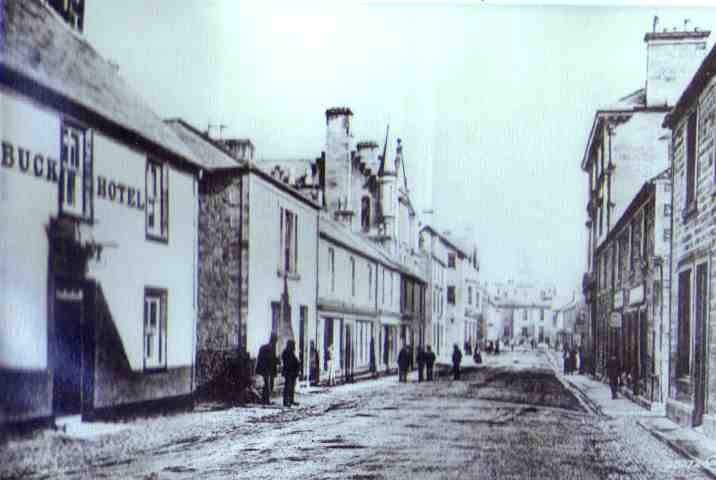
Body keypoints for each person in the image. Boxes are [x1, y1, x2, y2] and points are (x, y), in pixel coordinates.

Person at [255, 333, 278, 405]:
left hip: (267, 369)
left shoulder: (267, 347)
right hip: (266, 370)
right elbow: (269, 359)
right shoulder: (268, 348)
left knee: (267, 385)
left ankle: (265, 399)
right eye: (275, 340)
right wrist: (276, 360)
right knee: (267, 385)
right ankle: (266, 400)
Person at [282, 339, 300, 407]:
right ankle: (286, 402)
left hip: (293, 373)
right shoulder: (286, 352)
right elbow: (288, 363)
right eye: (293, 345)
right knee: (288, 387)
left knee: (292, 387)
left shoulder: (291, 352)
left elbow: (295, 361)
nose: (294, 347)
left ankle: (291, 400)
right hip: (289, 372)